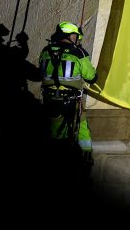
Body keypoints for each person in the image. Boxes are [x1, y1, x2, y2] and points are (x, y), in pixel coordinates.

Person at [38, 21, 97, 166]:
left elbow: (41, 72)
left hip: (50, 100)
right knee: (81, 126)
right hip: (71, 102)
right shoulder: (78, 53)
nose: (77, 40)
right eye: (76, 36)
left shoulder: (46, 50)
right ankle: (85, 157)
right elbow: (92, 77)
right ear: (70, 36)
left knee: (53, 130)